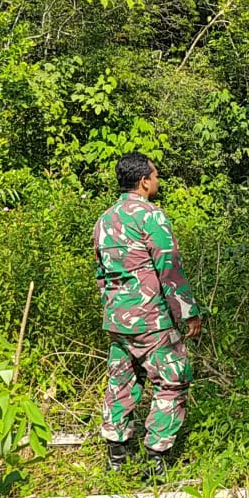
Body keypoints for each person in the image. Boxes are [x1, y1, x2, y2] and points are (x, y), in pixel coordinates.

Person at [93, 152, 202, 477]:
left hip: (117, 318)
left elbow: (101, 274)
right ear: (144, 181)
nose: (157, 181)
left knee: (122, 379)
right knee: (173, 378)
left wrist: (114, 308)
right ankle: (157, 457)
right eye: (155, 176)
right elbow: (169, 268)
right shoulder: (150, 216)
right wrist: (188, 312)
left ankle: (117, 453)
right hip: (150, 318)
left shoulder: (105, 220)